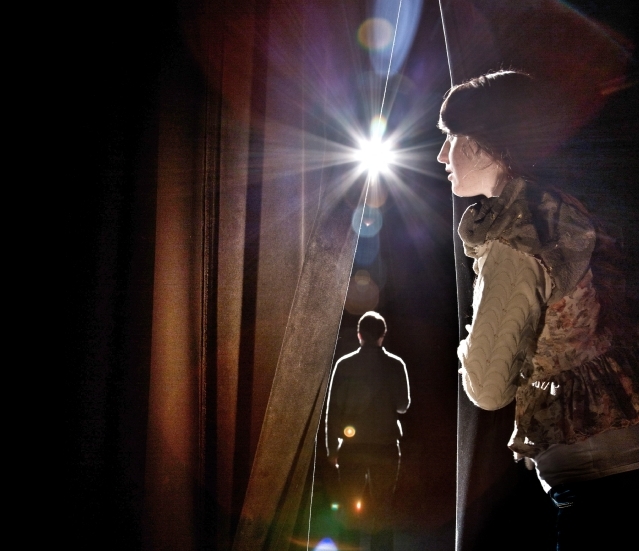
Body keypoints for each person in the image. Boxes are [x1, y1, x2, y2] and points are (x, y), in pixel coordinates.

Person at [436, 70, 639, 550]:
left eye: (450, 137)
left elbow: (487, 388)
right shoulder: (563, 206)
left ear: (488, 142)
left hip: (595, 478)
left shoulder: (515, 237)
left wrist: (467, 344)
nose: (442, 155)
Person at [325, 311, 410, 551]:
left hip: (352, 447)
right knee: (382, 509)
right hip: (385, 446)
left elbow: (332, 412)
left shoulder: (344, 365)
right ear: (383, 335)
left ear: (359, 334)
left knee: (349, 507)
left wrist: (332, 449)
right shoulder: (395, 365)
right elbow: (403, 406)